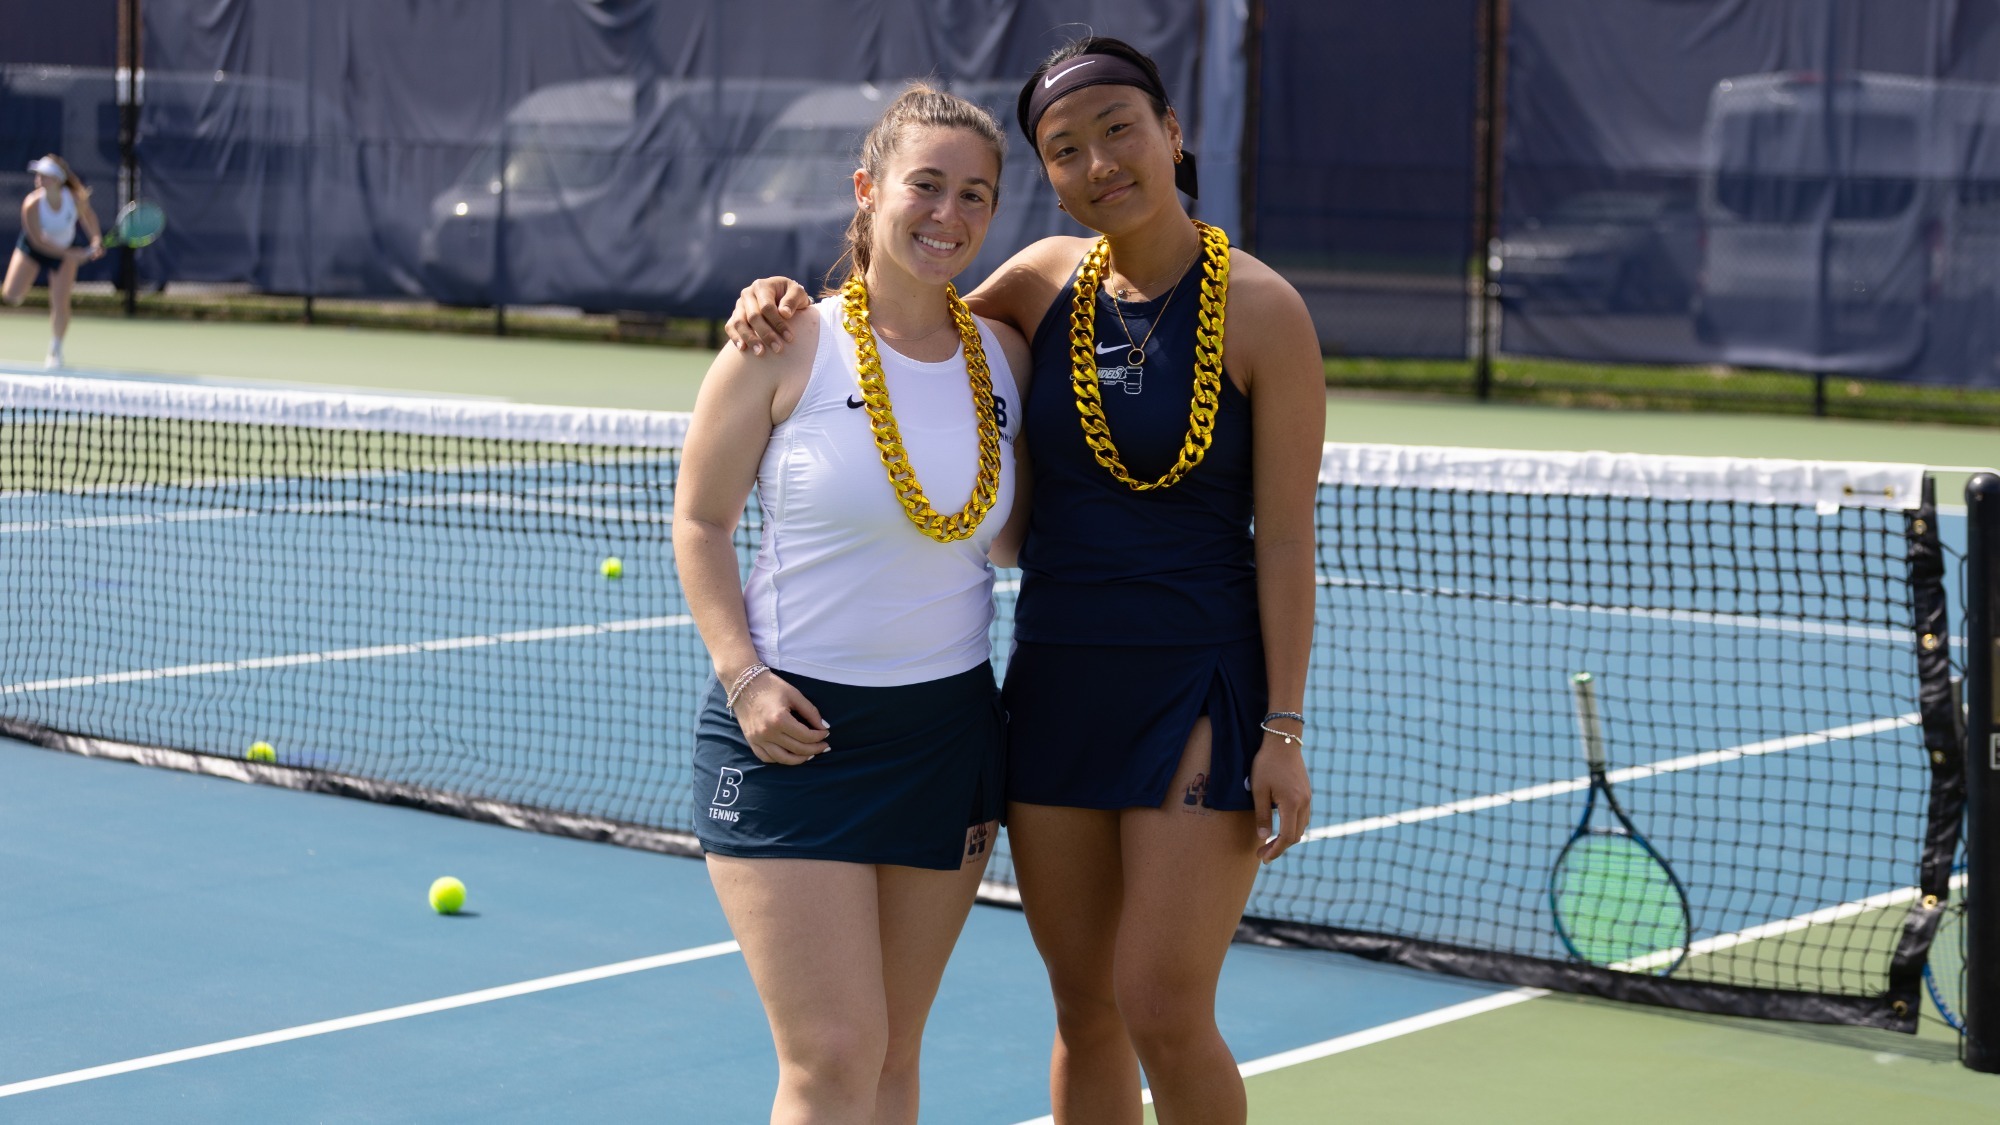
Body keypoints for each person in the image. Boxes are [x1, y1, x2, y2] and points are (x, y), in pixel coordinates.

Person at [724, 38, 1323, 1125]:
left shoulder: (1264, 311)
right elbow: (899, 299)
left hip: (1200, 685)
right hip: (1050, 684)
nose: (1097, 162)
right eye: (1063, 148)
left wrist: (1281, 725)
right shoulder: (1041, 282)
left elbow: (1284, 540)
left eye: (1118, 132)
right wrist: (782, 299)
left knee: (1160, 1002)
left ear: (1172, 135)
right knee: (1083, 1007)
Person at [672, 84, 1033, 1123]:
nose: (948, 215)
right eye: (925, 185)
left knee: (889, 1061)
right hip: (794, 736)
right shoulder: (783, 340)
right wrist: (743, 681)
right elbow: (699, 523)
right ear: (869, 191)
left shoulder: (1003, 360)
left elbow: (1010, 535)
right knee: (831, 1056)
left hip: (949, 736)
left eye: (975, 195)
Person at [4, 154, 103, 369]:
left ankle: (55, 350)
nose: (39, 179)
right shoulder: (31, 204)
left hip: (66, 247)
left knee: (60, 303)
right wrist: (72, 254)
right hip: (34, 248)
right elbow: (38, 241)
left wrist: (96, 240)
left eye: (45, 175)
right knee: (11, 296)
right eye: (38, 175)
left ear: (57, 180)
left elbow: (89, 218)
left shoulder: (74, 199)